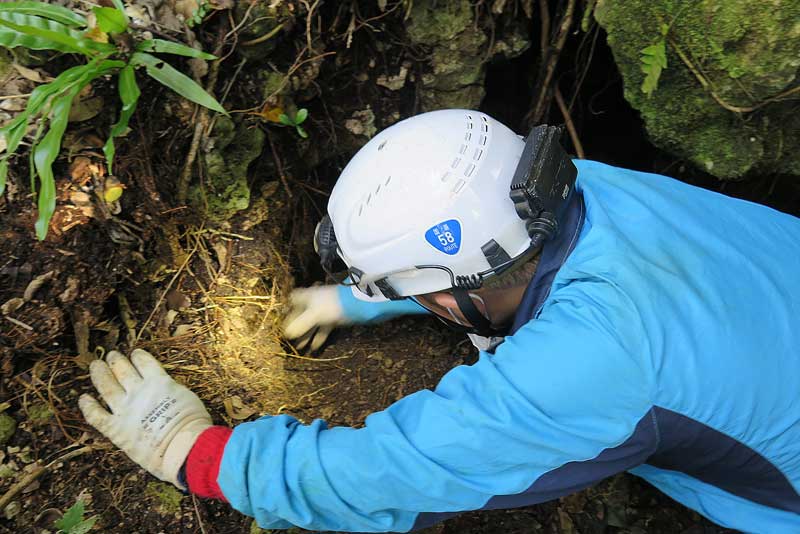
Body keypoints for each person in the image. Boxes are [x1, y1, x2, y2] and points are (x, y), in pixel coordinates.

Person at [79, 110, 800, 533]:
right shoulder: (570, 185)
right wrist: (358, 299)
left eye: (414, 293)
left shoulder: (588, 362)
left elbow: (393, 472)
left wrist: (193, 453)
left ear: (455, 291)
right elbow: (475, 261)